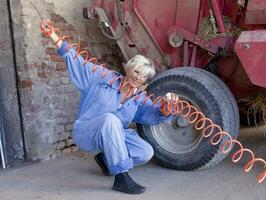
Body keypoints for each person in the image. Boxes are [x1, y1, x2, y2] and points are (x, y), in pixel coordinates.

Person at [45, 28, 175, 194]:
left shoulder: (139, 99)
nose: (138, 78)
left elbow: (155, 114)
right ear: (129, 69)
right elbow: (75, 59)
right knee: (110, 119)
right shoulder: (101, 77)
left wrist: (165, 110)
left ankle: (107, 159)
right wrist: (52, 35)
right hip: (86, 132)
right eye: (136, 72)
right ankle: (121, 178)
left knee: (145, 152)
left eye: (143, 77)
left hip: (113, 135)